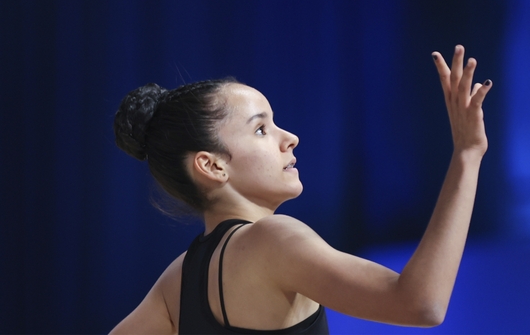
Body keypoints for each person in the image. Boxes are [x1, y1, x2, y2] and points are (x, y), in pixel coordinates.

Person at [110, 45, 492, 334]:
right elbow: (421, 303)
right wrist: (467, 155)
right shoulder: (275, 239)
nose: (289, 138)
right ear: (212, 165)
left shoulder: (176, 281)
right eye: (261, 129)